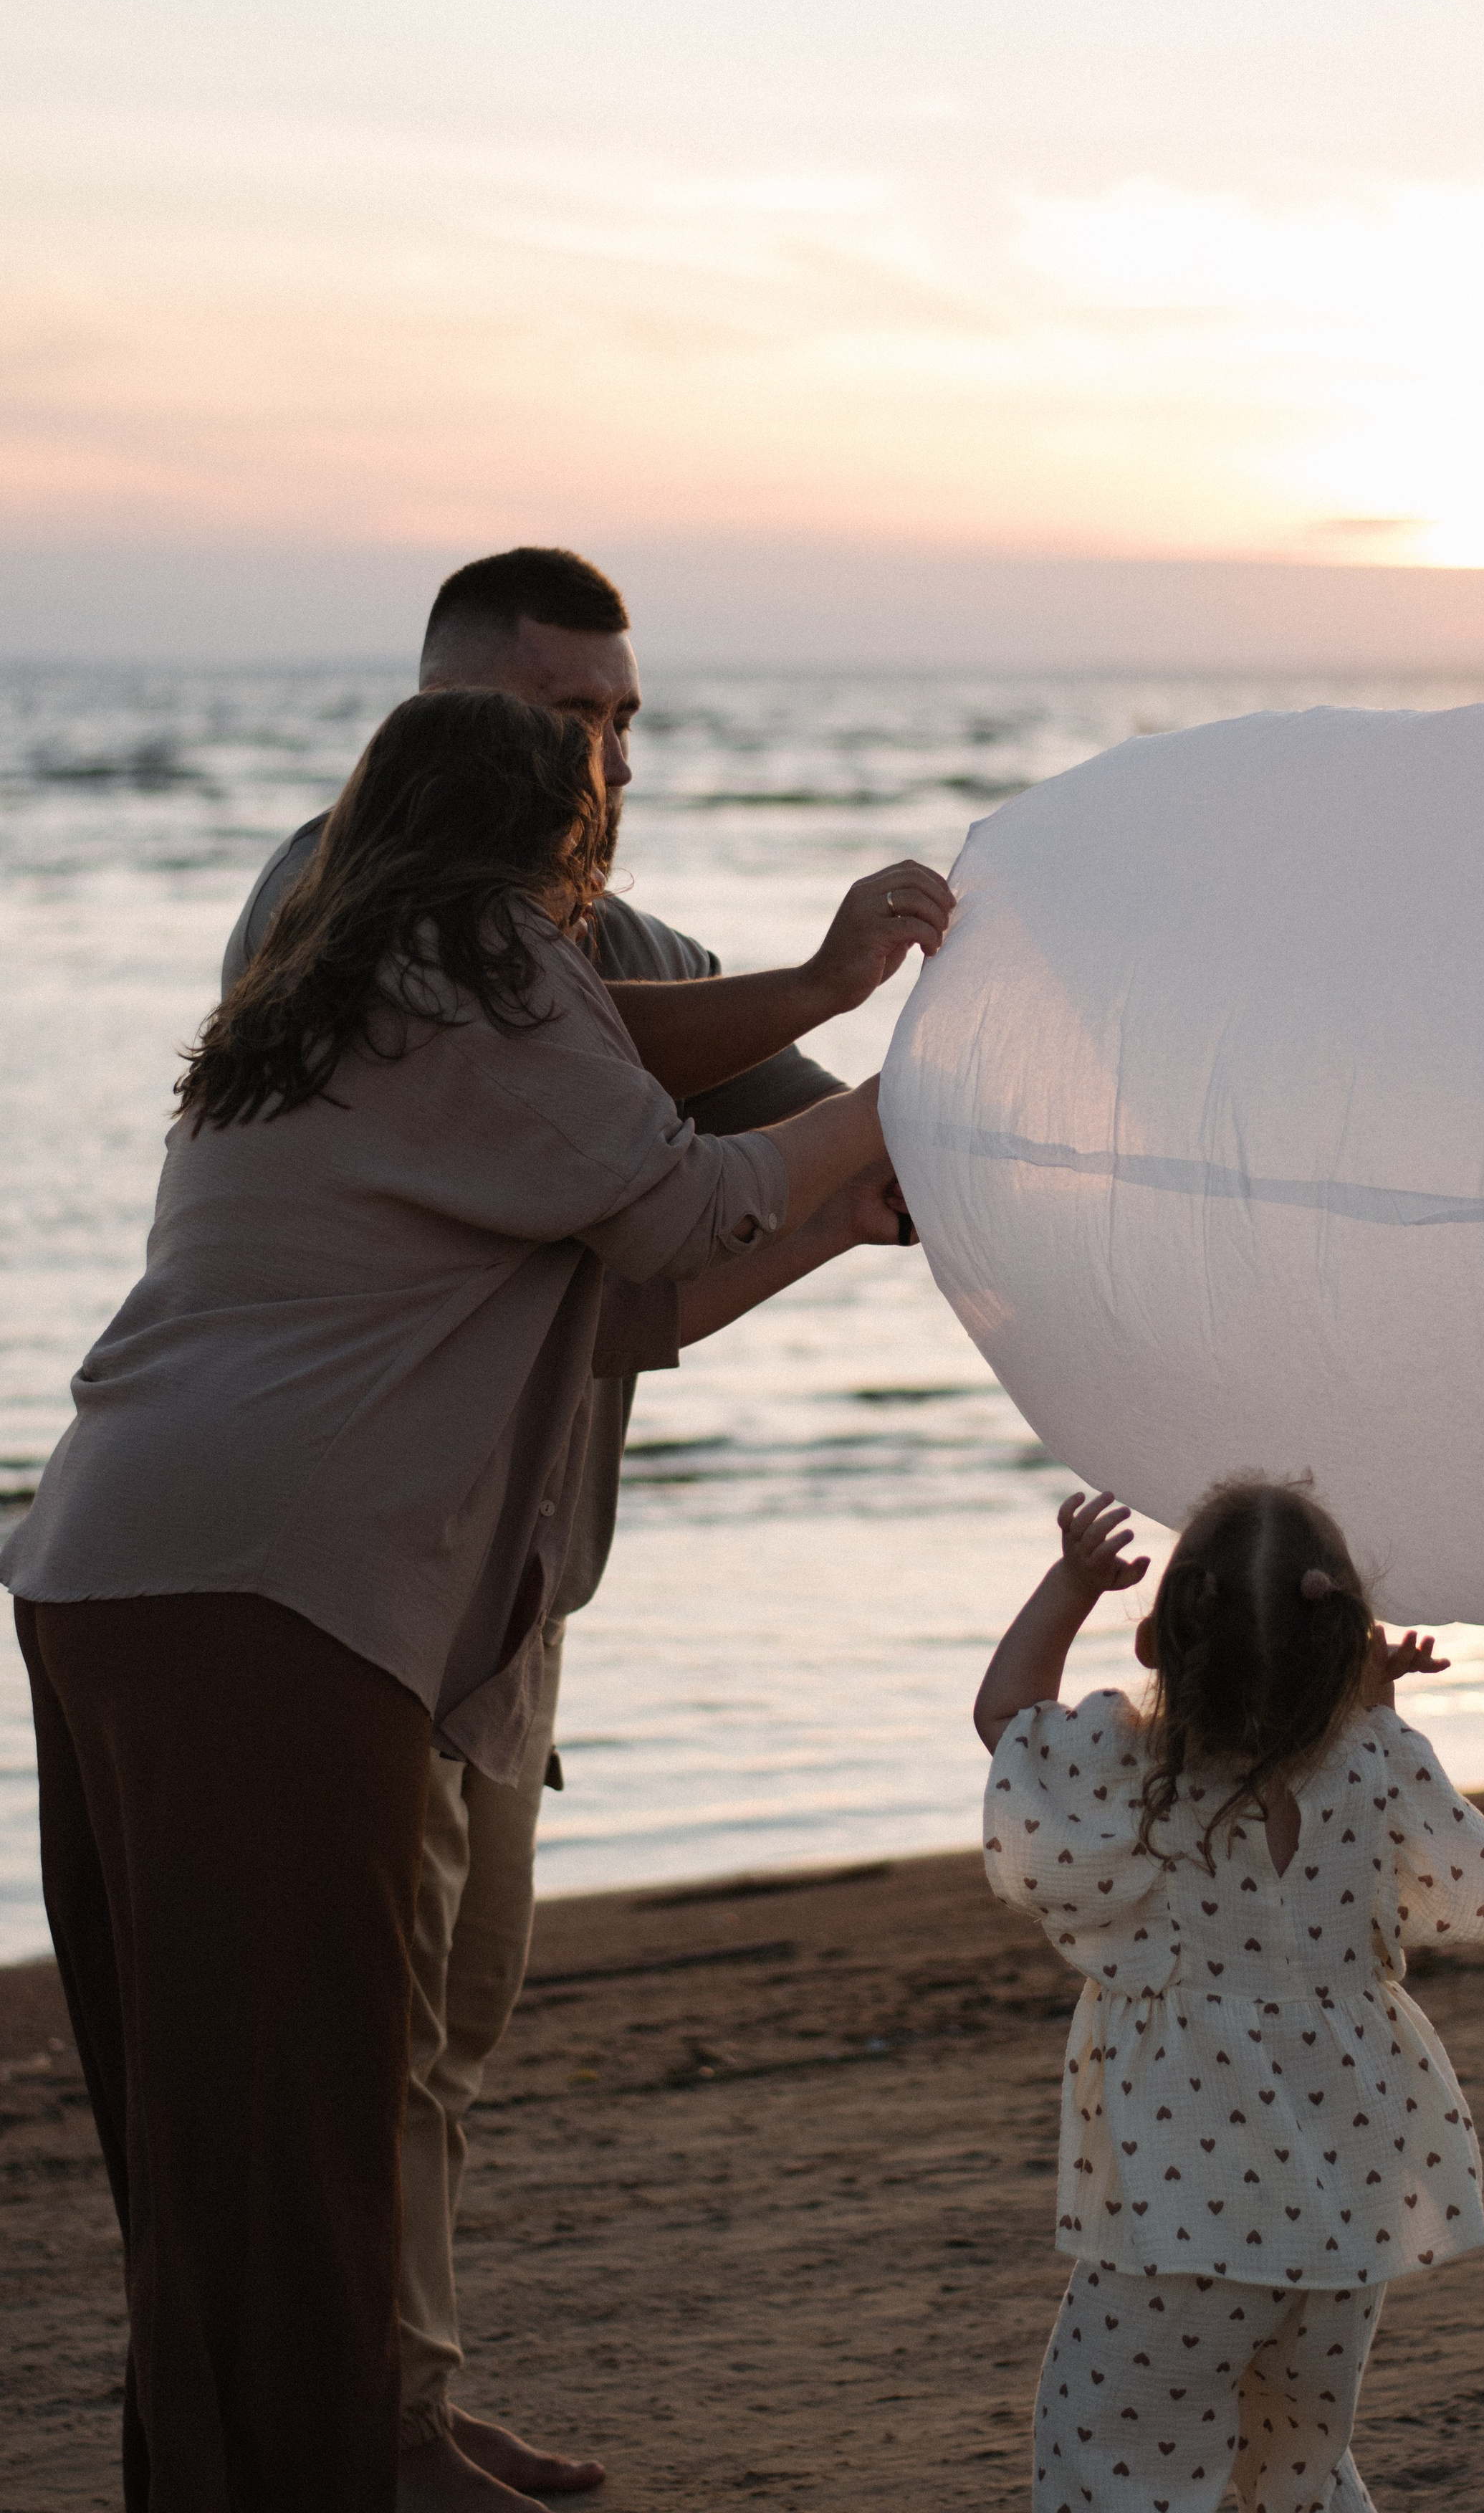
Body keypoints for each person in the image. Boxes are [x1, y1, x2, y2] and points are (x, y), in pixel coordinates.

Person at [6, 687, 938, 2513]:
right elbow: (675, 1208)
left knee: (214, 2144)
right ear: (541, 846)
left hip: (117, 1573)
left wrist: (835, 1188)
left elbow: (620, 1315)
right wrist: (904, 1100)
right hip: (266, 1602)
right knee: (301, 2139)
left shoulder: (335, 1004)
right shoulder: (479, 968)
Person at [975, 1475, 1484, 2513]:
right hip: (1344, 2217)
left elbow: (1009, 1721)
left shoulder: (1133, 1779)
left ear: (1154, 1647)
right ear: (1344, 1653)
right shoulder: (1375, 1766)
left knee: (1112, 2453)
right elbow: (1477, 1898)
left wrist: (1070, 1584)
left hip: (1185, 2226)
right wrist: (1378, 1711)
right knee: (1296, 2462)